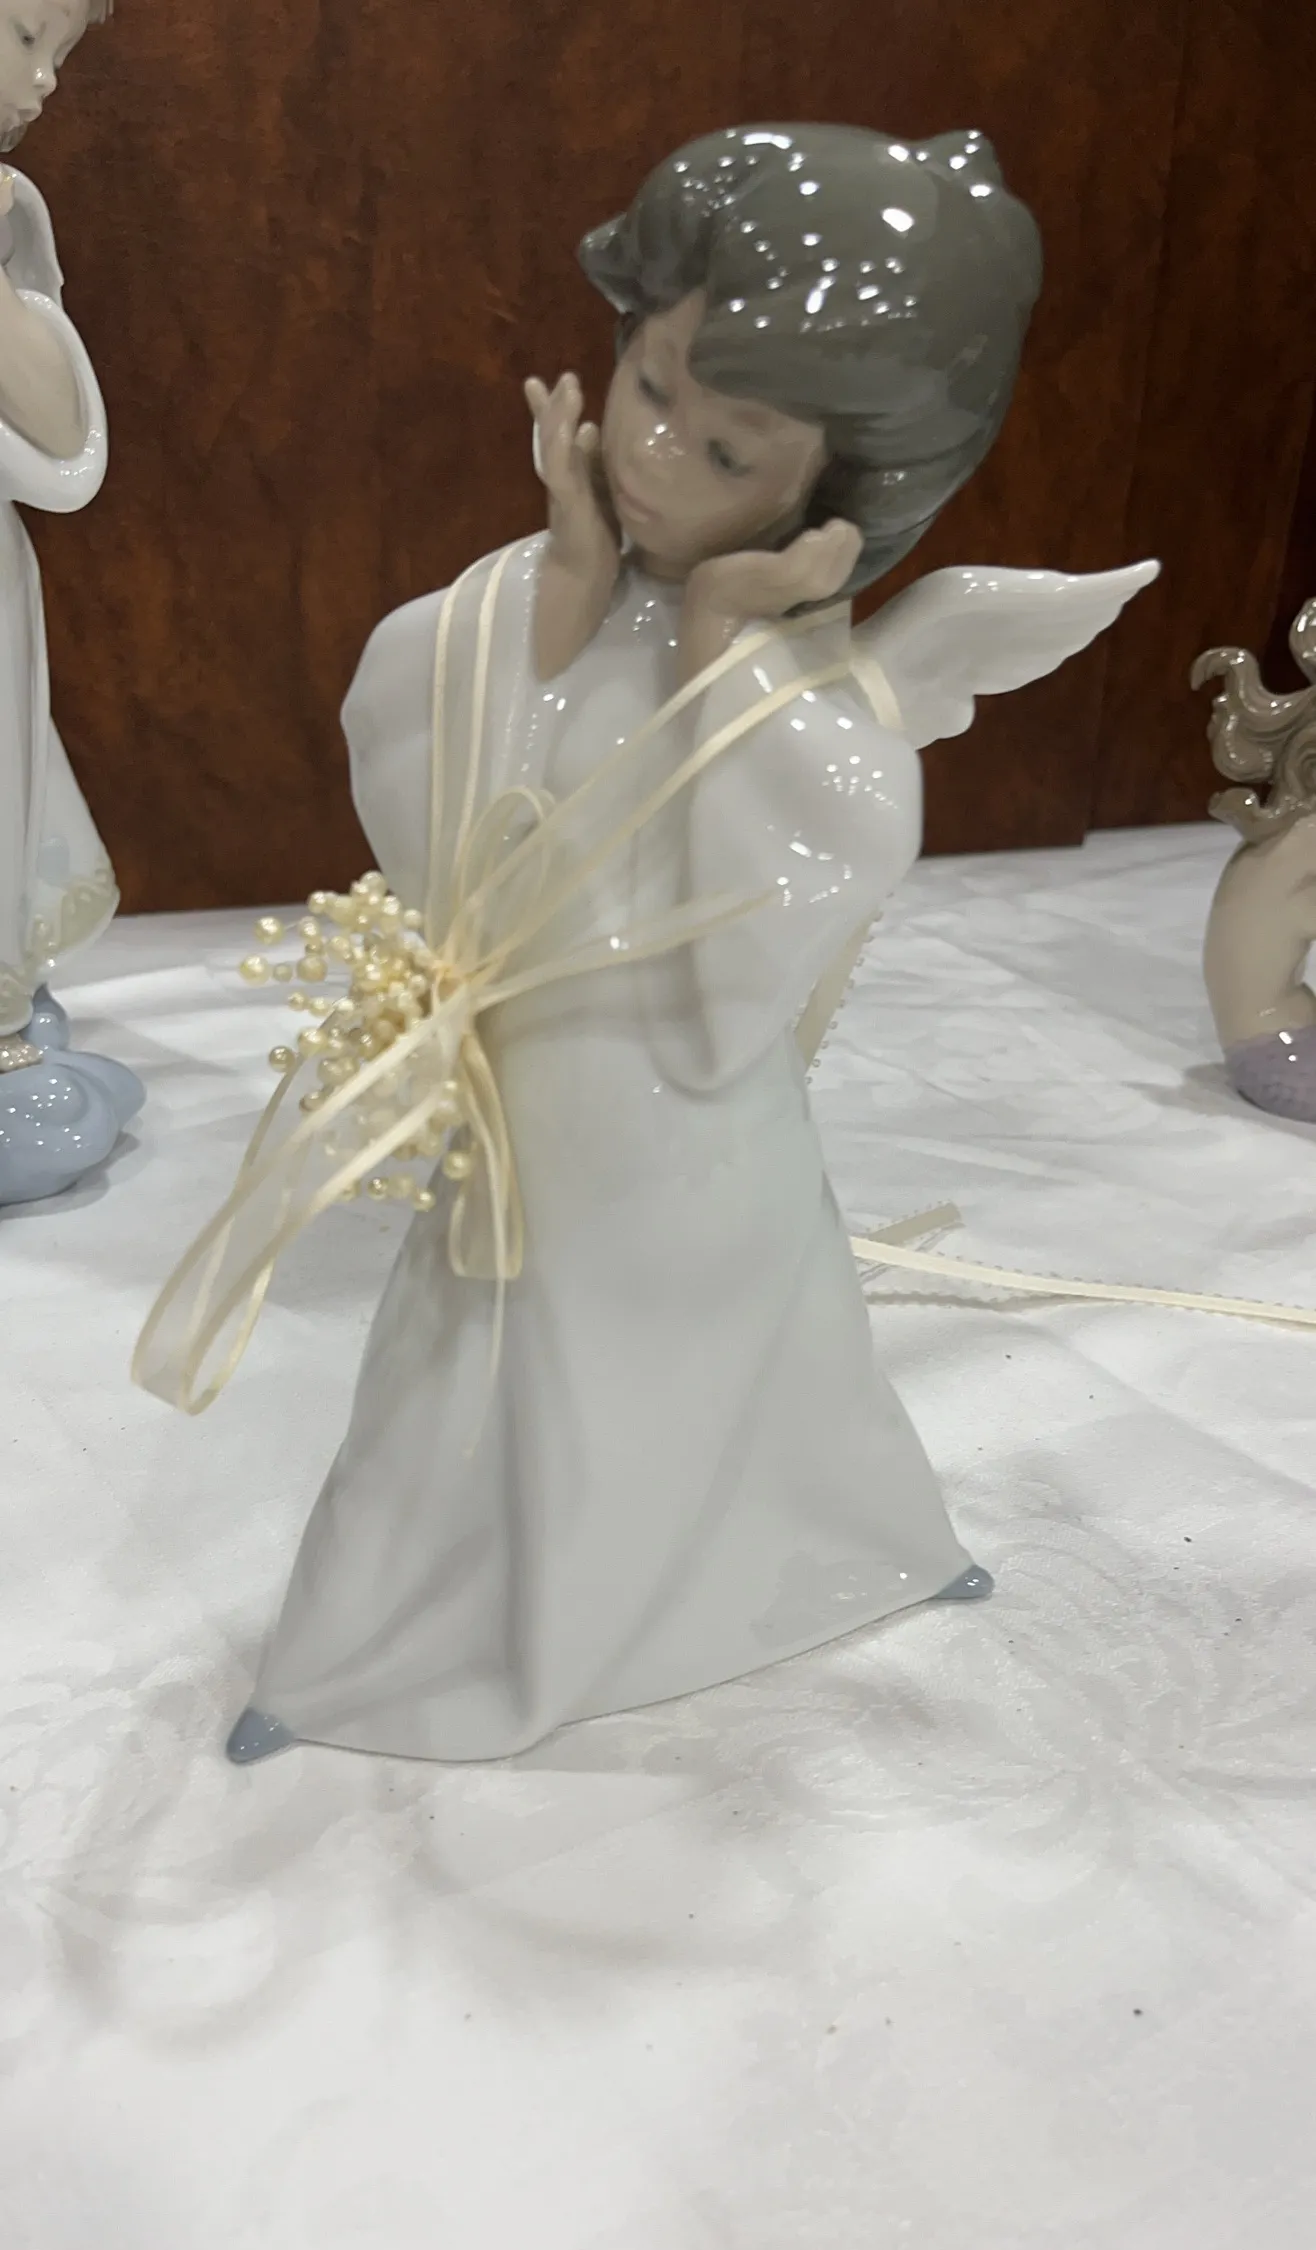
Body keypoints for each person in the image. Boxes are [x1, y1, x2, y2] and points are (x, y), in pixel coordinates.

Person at [136, 125, 1152, 1765]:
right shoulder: (541, 595)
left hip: (672, 1130)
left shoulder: (797, 704)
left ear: (837, 494)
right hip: (526, 1097)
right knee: (461, 1370)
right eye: (650, 385)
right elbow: (433, 730)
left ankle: (787, 1564)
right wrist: (566, 562)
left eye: (726, 445)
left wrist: (721, 638)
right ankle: (366, 1647)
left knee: (697, 1361)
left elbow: (756, 937)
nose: (655, 452)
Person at [0, 0, 141, 1205]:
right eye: (23, 37)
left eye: (61, 54)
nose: (43, 83)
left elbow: (63, 456)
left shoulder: (7, 213)